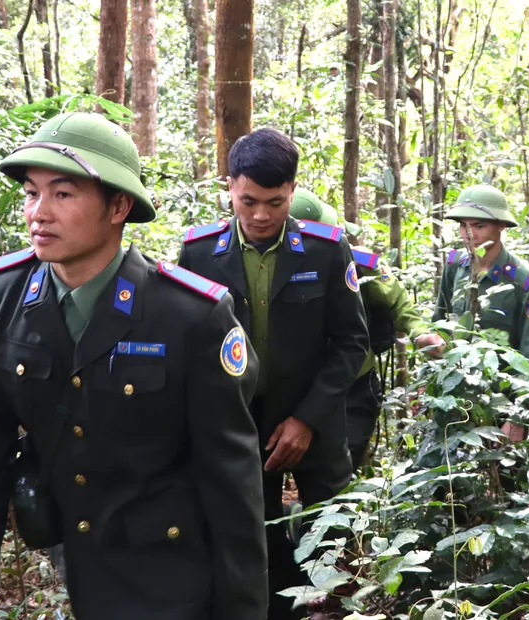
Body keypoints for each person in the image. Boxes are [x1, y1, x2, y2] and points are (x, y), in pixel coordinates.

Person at [0, 112, 268, 620]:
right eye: (32, 193)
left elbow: (233, 486)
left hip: (173, 574)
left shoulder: (190, 315)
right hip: (72, 561)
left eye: (63, 194)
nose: (39, 213)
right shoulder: (3, 295)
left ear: (118, 205)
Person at [176, 128, 368, 620]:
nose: (261, 215)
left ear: (292, 191)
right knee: (251, 538)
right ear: (230, 188)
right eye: (249, 201)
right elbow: (187, 347)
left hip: (315, 415)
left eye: (275, 203)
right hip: (238, 421)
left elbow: (351, 343)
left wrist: (307, 420)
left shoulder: (327, 250)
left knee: (336, 535)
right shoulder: (199, 253)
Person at [289, 189, 444, 468]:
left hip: (354, 381)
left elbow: (396, 298)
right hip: (299, 383)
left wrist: (419, 332)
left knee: (343, 463)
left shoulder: (357, 262)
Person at [433, 184, 529, 440]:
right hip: (454, 401)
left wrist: (518, 418)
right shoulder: (454, 267)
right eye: (463, 225)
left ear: (500, 226)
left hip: (500, 406)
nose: (468, 234)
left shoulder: (525, 282)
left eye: (479, 226)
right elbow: (439, 324)